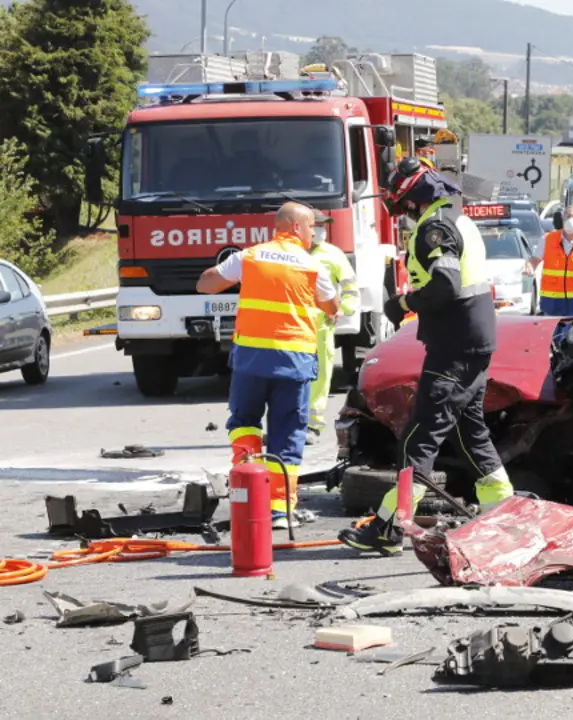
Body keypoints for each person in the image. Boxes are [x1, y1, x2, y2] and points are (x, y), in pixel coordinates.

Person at [339, 164, 514, 555]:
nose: (405, 217)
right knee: (472, 434)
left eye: (404, 208)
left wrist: (402, 303)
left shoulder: (436, 227)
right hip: (474, 339)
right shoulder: (457, 218)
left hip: (454, 345)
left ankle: (389, 529)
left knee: (420, 438)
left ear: (415, 200)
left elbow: (445, 284)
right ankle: (502, 514)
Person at [196, 203, 339, 530]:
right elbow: (331, 305)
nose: (313, 233)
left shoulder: (250, 256)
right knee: (288, 432)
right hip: (294, 360)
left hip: (251, 360)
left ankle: (248, 497)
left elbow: (205, 284)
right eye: (311, 227)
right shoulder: (312, 265)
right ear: (296, 228)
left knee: (245, 423)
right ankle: (277, 510)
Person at [305, 222, 359, 445]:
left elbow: (350, 286)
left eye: (321, 226)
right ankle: (292, 424)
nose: (318, 230)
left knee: (320, 376)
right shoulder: (292, 252)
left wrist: (342, 310)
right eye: (314, 225)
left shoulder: (332, 254)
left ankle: (313, 425)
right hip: (294, 324)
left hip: (321, 325)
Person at [524, 204, 573, 318]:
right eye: (567, 217)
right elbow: (534, 259)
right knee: (553, 335)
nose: (570, 220)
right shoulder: (548, 239)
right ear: (563, 220)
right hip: (552, 302)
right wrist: (529, 266)